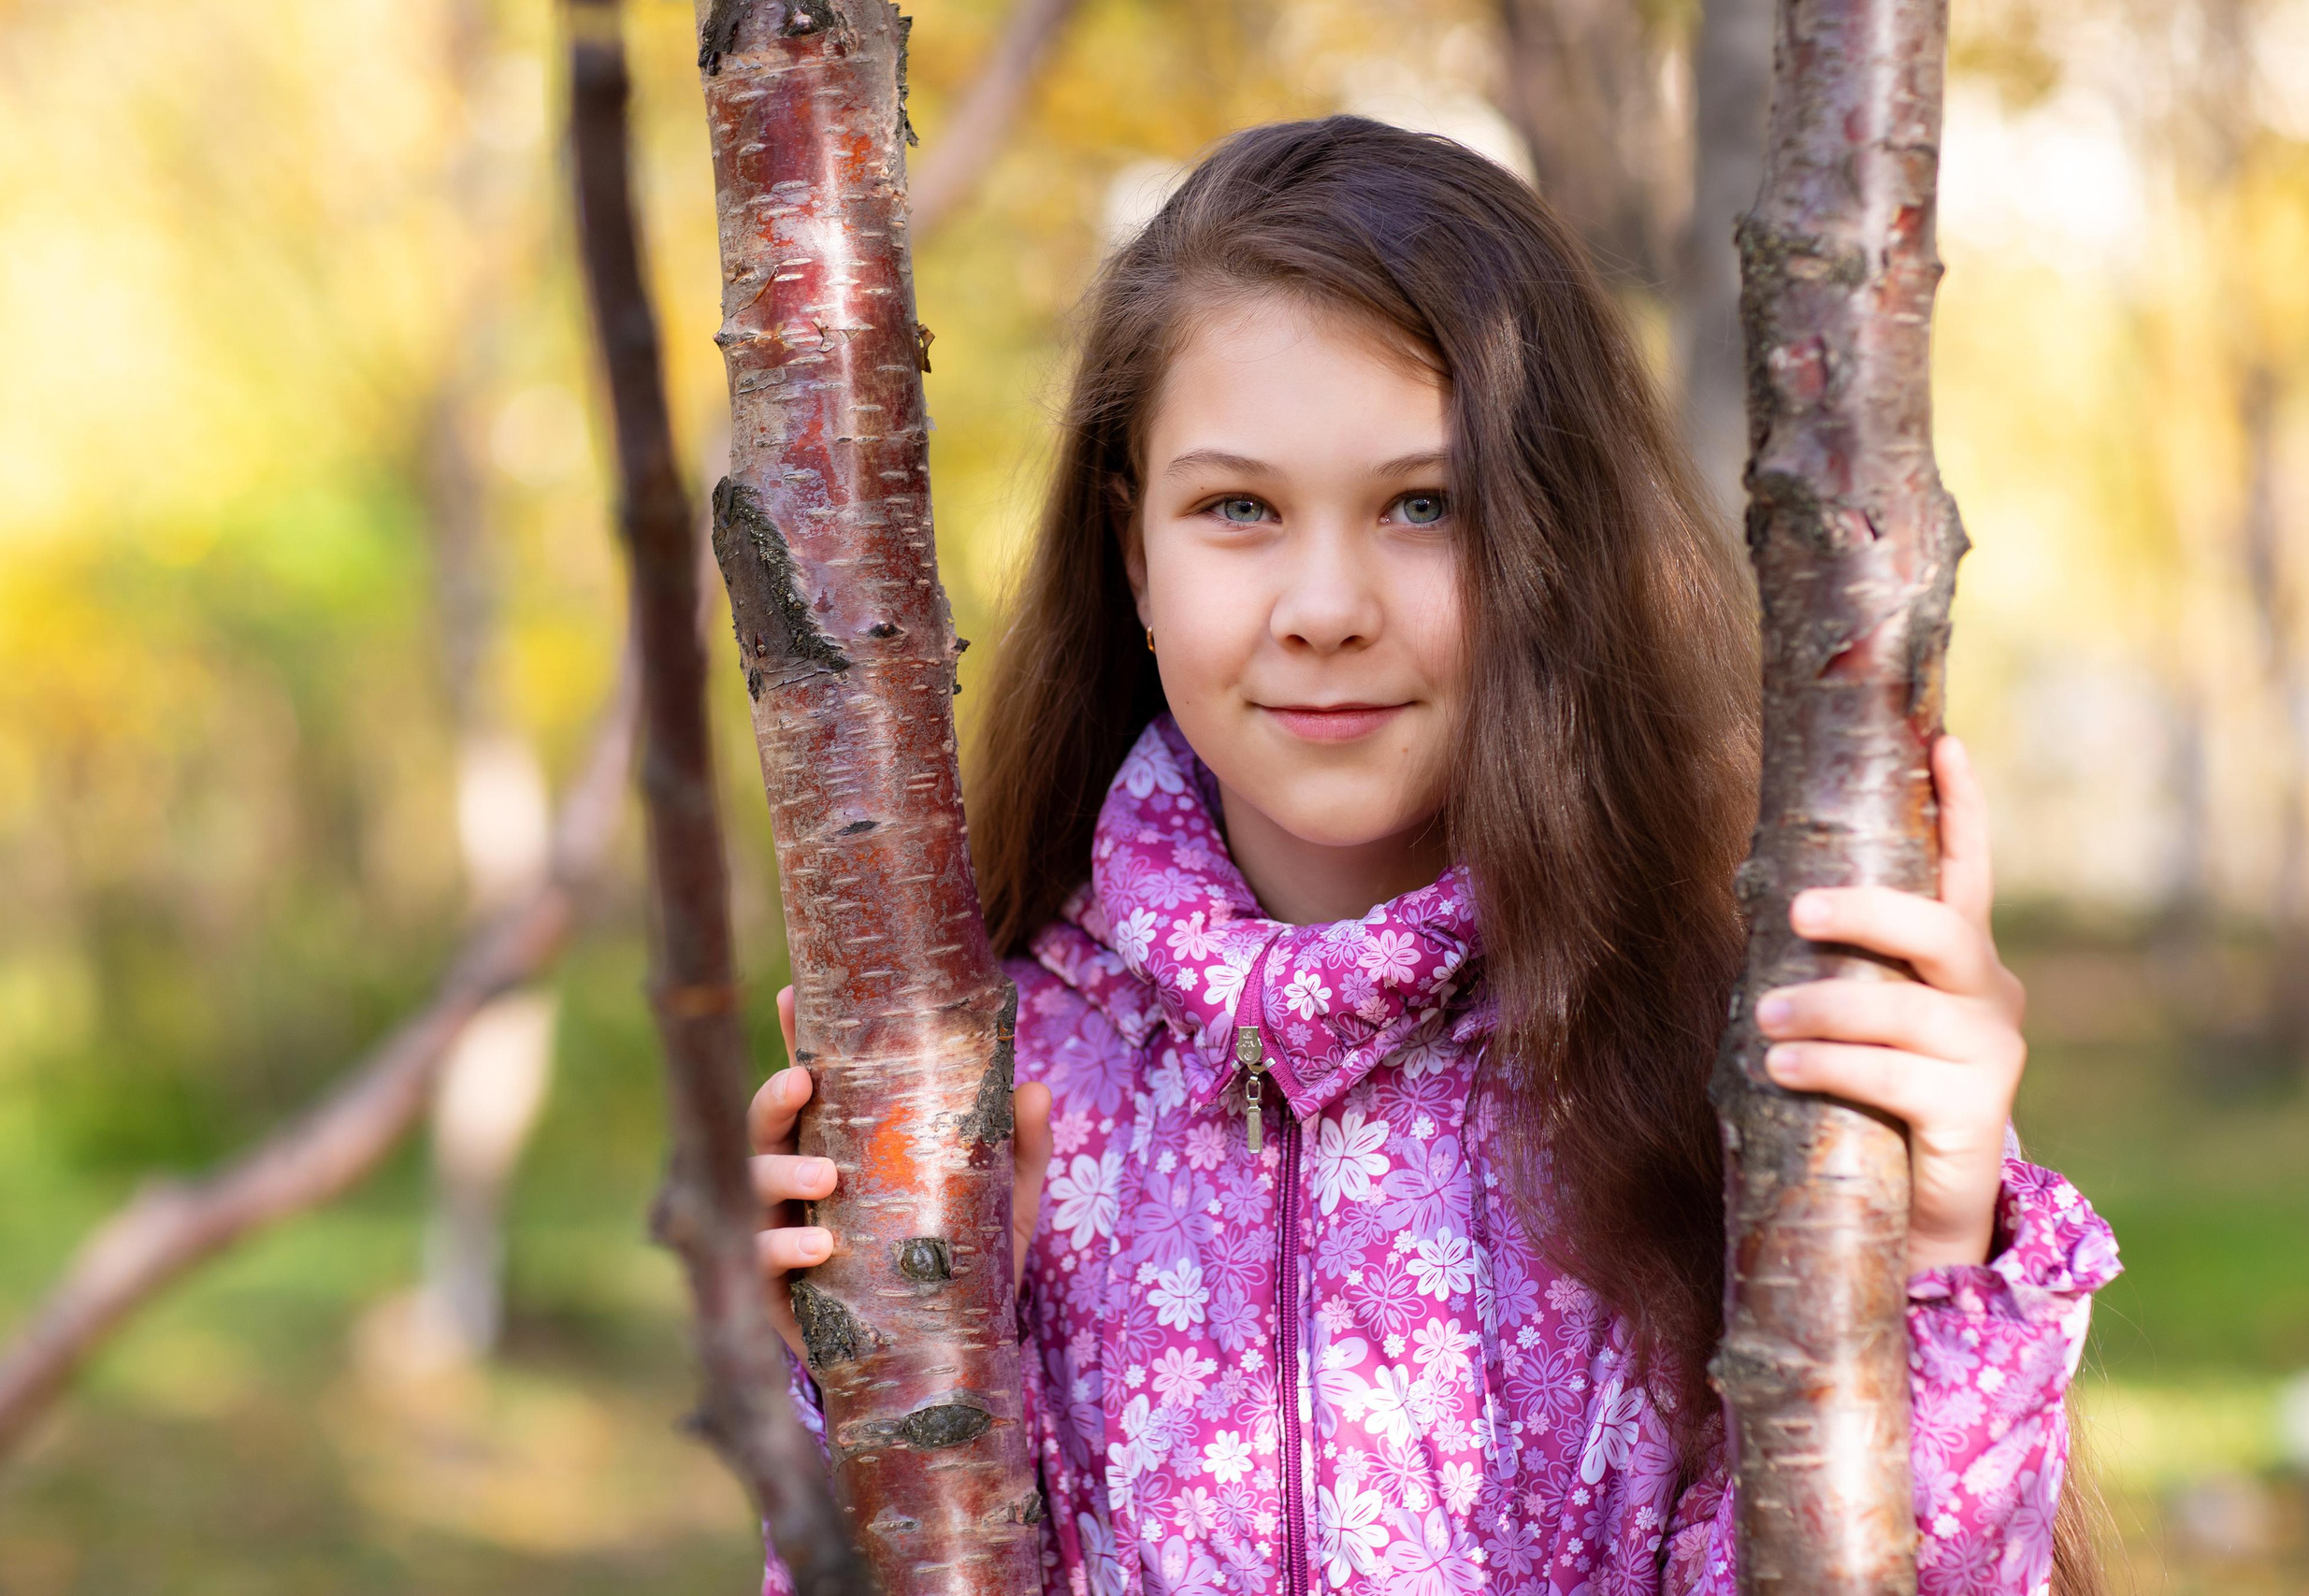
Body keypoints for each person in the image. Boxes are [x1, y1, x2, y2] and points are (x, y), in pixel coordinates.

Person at [747, 116, 2120, 1596]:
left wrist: (1925, 1259)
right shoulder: (996, 1081)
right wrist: (883, 1395)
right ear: (1134, 551)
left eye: (1425, 506)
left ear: (1556, 545)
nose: (1326, 607)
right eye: (1237, 508)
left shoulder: (1732, 1050)